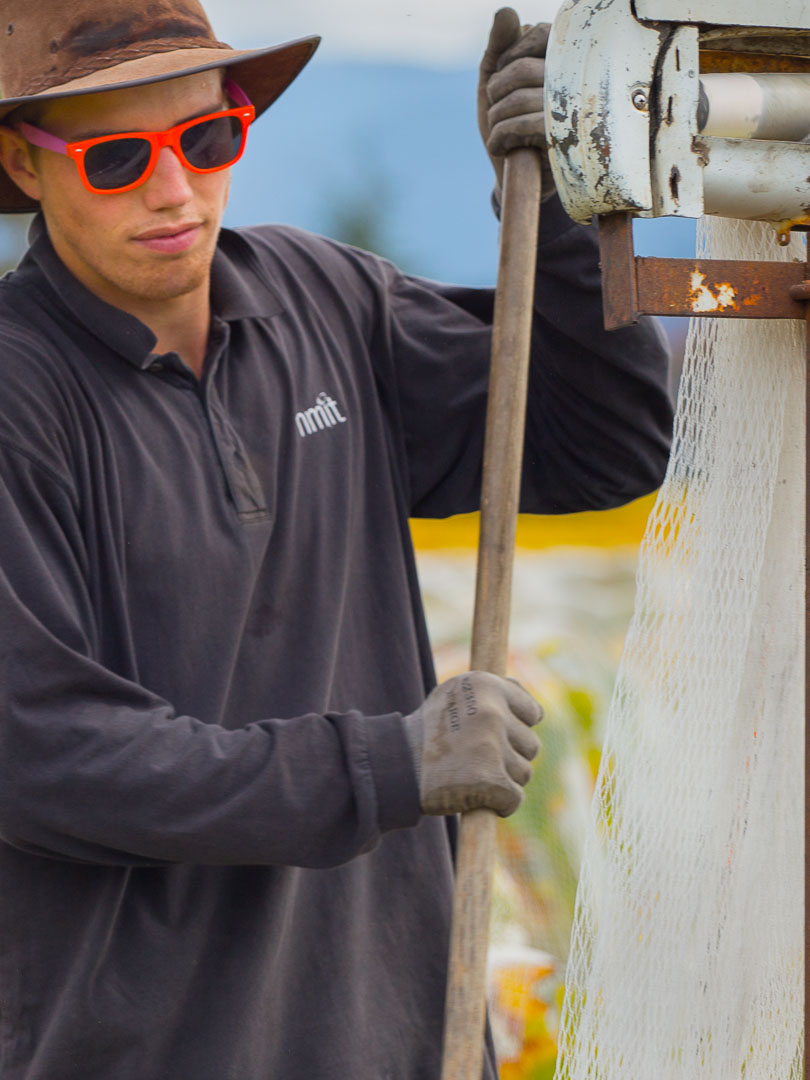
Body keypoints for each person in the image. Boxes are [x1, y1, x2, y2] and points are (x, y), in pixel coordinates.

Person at [0, 2, 672, 1077]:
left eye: (206, 140)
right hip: (150, 1051)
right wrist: (386, 762)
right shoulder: (19, 397)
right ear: (24, 167)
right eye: (116, 159)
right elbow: (43, 758)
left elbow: (606, 444)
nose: (176, 191)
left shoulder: (326, 302)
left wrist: (560, 207)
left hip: (402, 1033)